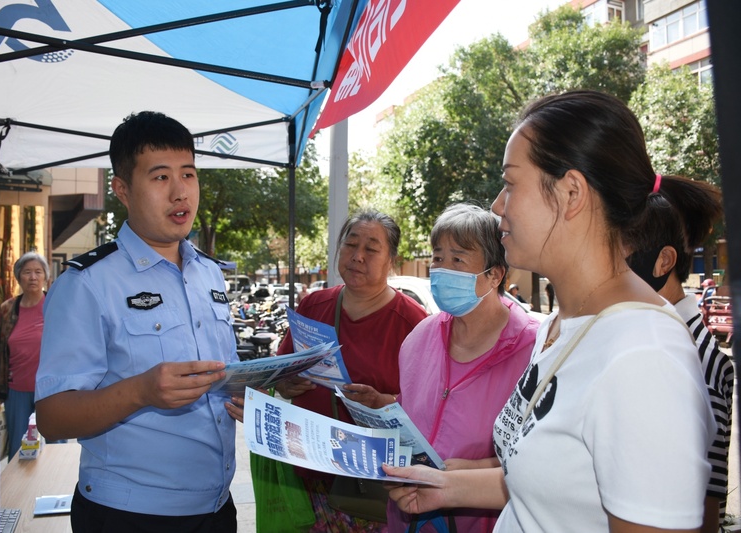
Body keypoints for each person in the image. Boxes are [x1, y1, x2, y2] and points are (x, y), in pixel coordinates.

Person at [383, 90, 715, 533]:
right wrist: (445, 487)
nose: (498, 206)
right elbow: (548, 481)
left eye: (511, 183)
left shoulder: (643, 358)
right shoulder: (561, 327)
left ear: (571, 192)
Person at [35, 111, 242, 533]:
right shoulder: (87, 283)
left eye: (188, 174)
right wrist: (141, 391)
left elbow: (221, 375)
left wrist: (263, 384)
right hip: (129, 515)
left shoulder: (209, 273)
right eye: (161, 177)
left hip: (218, 506)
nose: (180, 191)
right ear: (122, 190)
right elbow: (53, 418)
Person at [275, 208, 428, 533]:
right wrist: (286, 384)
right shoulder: (313, 306)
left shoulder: (413, 323)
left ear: (391, 261)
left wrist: (384, 401)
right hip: (310, 475)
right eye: (350, 244)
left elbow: (430, 406)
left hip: (374, 481)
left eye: (371, 249)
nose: (357, 256)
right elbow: (282, 371)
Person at [390, 203, 538, 533]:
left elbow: (548, 459)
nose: (441, 269)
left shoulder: (533, 349)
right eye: (437, 257)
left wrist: (475, 469)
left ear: (494, 274)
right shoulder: (419, 338)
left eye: (457, 259)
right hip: (408, 520)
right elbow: (406, 417)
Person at [625, 178, 733, 532]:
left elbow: (706, 501)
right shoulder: (642, 329)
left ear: (663, 260)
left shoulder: (695, 354)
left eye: (620, 250)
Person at [0, 251, 49, 460]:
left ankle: (52, 488)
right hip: (16, 389)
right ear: (18, 277)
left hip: (50, 389)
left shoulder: (56, 305)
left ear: (45, 277)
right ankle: (18, 491)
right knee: (18, 447)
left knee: (52, 445)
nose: (33, 277)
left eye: (38, 272)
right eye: (27, 272)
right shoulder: (7, 309)